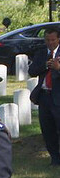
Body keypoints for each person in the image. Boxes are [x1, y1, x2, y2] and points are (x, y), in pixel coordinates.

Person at [28, 26, 60, 165]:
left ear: (58, 39)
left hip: (58, 96)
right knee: (47, 129)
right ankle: (55, 158)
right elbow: (32, 71)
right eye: (47, 40)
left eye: (53, 40)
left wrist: (58, 68)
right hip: (44, 96)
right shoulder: (41, 53)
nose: (50, 43)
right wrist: (45, 65)